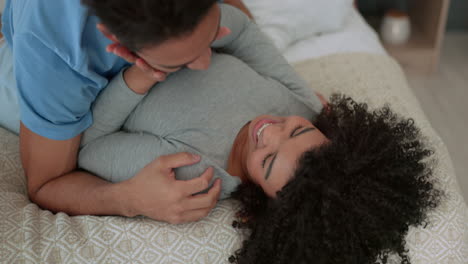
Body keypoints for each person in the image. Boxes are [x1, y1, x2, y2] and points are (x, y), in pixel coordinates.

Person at [78, 53, 440, 264]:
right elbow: (240, 32)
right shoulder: (299, 105)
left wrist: (145, 73)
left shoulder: (194, 171)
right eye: (297, 131)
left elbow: (87, 146)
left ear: (262, 205)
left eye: (267, 162)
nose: (269, 132)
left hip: (90, 70)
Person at [0, 0, 268, 223]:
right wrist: (129, 199)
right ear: (113, 40)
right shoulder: (54, 49)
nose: (205, 63)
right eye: (177, 63)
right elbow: (45, 184)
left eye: (211, 37)